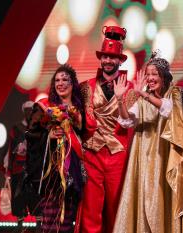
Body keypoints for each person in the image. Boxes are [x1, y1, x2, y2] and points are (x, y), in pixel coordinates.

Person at [112, 52, 183, 233]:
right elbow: (127, 120)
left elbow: (169, 110)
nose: (150, 78)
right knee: (145, 200)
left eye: (154, 74)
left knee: (164, 199)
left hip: (167, 158)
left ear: (164, 76)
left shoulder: (176, 93)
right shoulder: (143, 99)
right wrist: (119, 99)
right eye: (147, 74)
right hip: (144, 158)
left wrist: (143, 94)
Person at [77, 26, 131, 233]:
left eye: (113, 57)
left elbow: (131, 123)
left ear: (120, 60)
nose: (108, 61)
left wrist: (121, 97)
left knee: (116, 208)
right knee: (91, 209)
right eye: (105, 57)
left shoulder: (131, 88)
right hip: (92, 154)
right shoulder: (85, 87)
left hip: (118, 155)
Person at [26, 64, 84, 233]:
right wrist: (48, 136)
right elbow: (30, 135)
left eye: (65, 79)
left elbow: (86, 136)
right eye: (57, 80)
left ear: (73, 83)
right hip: (51, 175)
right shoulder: (45, 106)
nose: (61, 83)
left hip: (73, 173)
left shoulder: (80, 110)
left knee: (67, 222)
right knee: (50, 223)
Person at [3, 100, 41, 232]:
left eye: (32, 109)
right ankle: (20, 226)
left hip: (35, 169)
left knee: (36, 196)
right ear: (24, 112)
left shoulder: (39, 127)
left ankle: (39, 227)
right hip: (18, 168)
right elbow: (10, 149)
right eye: (27, 110)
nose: (29, 112)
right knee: (19, 197)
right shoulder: (16, 128)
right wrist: (8, 169)